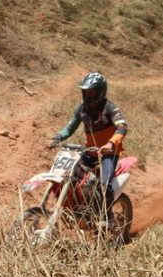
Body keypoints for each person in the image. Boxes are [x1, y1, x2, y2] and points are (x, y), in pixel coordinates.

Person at [51, 71, 128, 227]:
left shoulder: (110, 108)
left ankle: (106, 218)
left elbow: (122, 127)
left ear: (100, 92)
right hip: (89, 153)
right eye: (85, 92)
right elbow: (69, 128)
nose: (87, 95)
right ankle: (79, 208)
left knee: (104, 186)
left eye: (91, 92)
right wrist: (56, 138)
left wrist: (110, 144)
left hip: (108, 154)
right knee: (68, 176)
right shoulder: (82, 110)